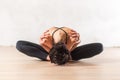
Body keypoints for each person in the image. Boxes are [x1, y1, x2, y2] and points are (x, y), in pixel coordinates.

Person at [16, 27, 103, 65]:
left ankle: (55, 56)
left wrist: (51, 52)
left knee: (100, 46)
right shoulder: (49, 38)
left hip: (56, 52)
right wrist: (70, 46)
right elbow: (20, 44)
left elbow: (98, 47)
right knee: (19, 44)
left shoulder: (68, 37)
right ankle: (59, 56)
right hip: (59, 53)